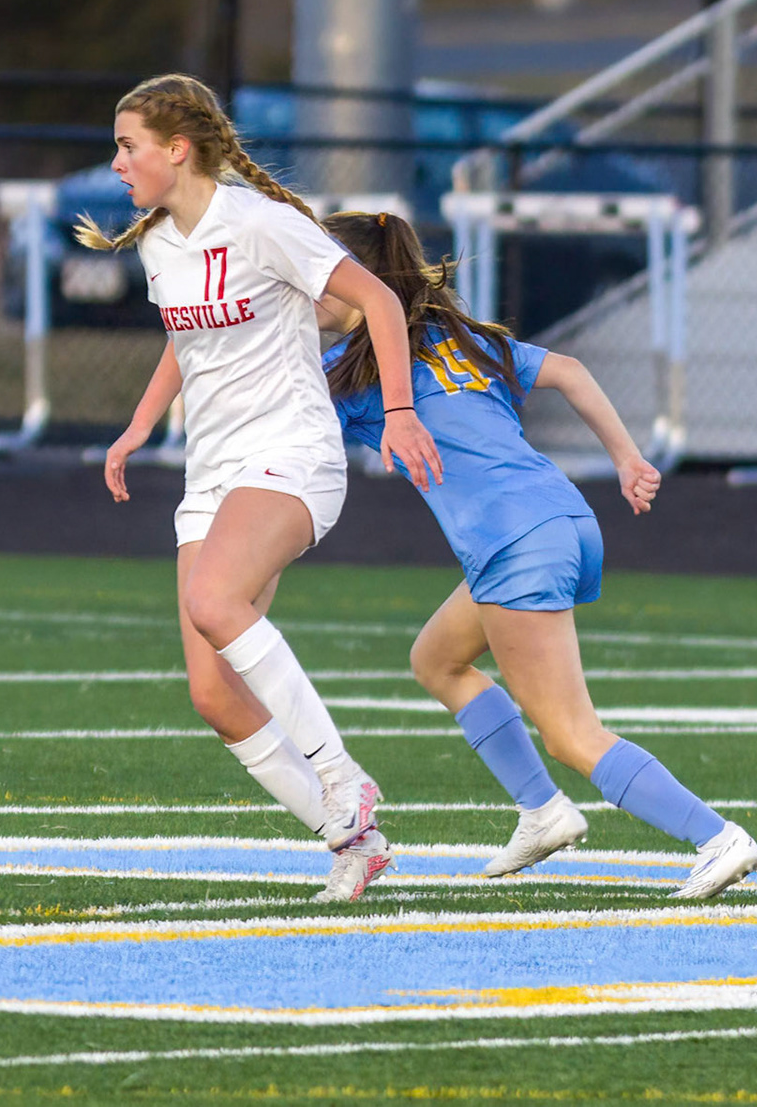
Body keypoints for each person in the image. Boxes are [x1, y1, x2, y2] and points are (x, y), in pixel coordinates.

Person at [318, 210, 757, 898]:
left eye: (317, 268)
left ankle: (717, 837)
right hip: (563, 517)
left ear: (358, 279)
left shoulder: (347, 369)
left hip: (512, 540)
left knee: (571, 735)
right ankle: (543, 811)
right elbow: (572, 371)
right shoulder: (460, 337)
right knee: (436, 658)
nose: (306, 281)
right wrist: (628, 458)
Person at [87, 74, 443, 902]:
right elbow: (186, 340)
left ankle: (343, 775)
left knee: (214, 599)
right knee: (213, 693)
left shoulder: (261, 223)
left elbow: (378, 301)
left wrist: (399, 412)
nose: (117, 163)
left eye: (128, 146)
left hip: (292, 453)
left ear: (178, 149)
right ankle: (352, 839)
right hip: (211, 471)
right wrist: (140, 424)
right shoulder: (158, 242)